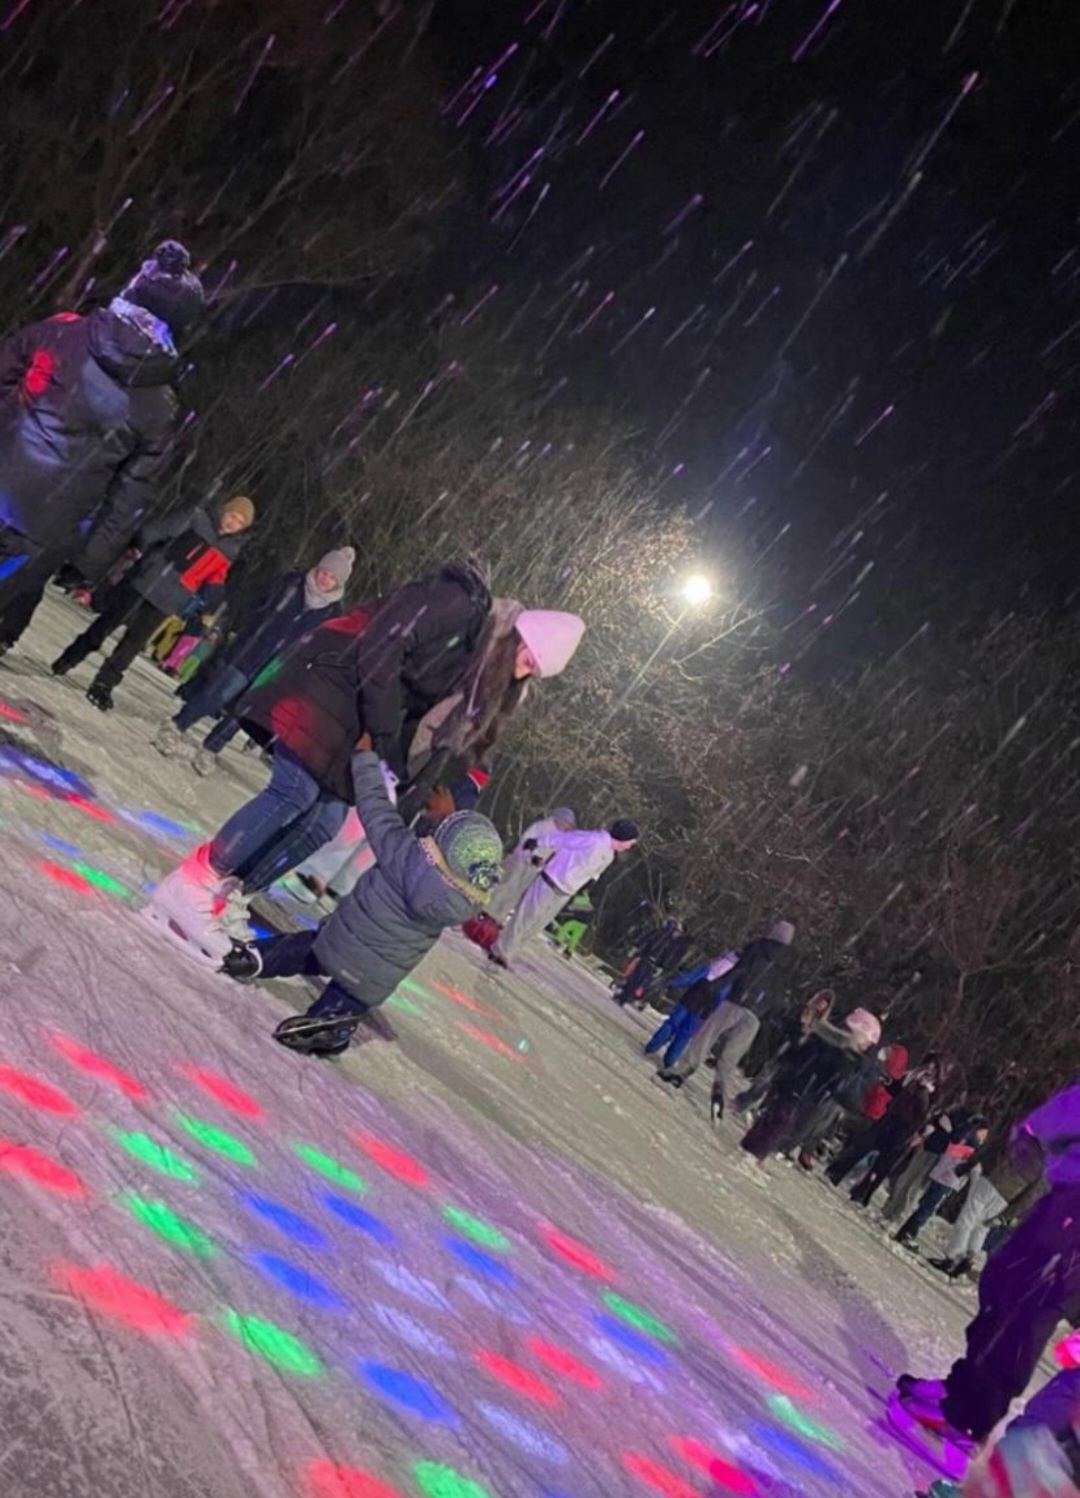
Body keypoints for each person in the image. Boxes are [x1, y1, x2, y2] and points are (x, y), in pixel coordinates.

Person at [143, 560, 584, 960]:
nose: (525, 673)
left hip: (356, 717)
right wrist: (385, 730)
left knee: (324, 822)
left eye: (534, 672)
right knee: (294, 793)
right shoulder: (461, 604)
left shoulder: (477, 660)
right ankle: (193, 883)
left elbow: (428, 718)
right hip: (328, 682)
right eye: (529, 660)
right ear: (520, 636)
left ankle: (231, 894)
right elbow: (386, 643)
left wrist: (404, 778)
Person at [218, 740, 504, 1058]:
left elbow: (374, 805)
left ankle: (258, 957)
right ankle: (332, 1018)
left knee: (308, 950)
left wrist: (365, 757)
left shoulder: (401, 851)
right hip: (372, 980)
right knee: (352, 994)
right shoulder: (462, 904)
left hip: (335, 941)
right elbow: (453, 865)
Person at [0, 241, 204, 656]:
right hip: (44, 527)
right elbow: (128, 496)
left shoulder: (63, 331)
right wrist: (89, 561)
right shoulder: (160, 407)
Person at [897, 1079, 1080, 1450]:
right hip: (1067, 1198)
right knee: (1003, 1285)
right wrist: (1036, 1131)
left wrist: (1039, 1129)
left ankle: (971, 1416)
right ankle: (963, 1389)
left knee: (1024, 1304)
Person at [152, 546, 355, 773]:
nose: (325, 579)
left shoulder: (332, 614)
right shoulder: (291, 583)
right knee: (217, 695)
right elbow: (255, 604)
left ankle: (211, 748)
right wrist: (237, 630)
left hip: (278, 670)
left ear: (339, 583)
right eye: (324, 572)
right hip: (249, 651)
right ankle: (177, 725)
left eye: (332, 578)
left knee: (244, 713)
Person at [50, 494, 255, 710]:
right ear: (224, 511)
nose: (233, 523)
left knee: (133, 643)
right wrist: (143, 552)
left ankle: (104, 684)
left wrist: (214, 601)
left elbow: (216, 577)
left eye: (240, 522)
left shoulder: (230, 550)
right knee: (105, 625)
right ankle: (70, 658)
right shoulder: (197, 519)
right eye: (233, 516)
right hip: (147, 582)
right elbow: (156, 531)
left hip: (170, 598)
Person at [653, 920, 796, 1120]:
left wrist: (717, 985)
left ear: (774, 932)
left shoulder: (758, 947)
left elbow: (739, 971)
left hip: (737, 1002)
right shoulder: (787, 966)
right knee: (731, 1055)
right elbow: (779, 997)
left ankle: (681, 1072)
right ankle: (720, 1091)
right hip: (755, 1017)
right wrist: (765, 1013)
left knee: (706, 1036)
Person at [489, 819, 640, 968]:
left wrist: (587, 885)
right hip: (551, 880)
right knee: (526, 918)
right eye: (630, 842)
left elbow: (595, 872)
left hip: (566, 891)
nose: (629, 846)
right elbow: (564, 839)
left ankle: (510, 951)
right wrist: (539, 842)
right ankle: (501, 951)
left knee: (537, 925)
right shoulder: (593, 839)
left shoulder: (610, 855)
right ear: (623, 837)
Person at [741, 1007, 883, 1163]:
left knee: (776, 1122)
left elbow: (841, 1090)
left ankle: (751, 1150)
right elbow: (823, 1072)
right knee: (778, 1123)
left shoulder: (843, 1051)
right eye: (867, 1042)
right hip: (798, 1089)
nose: (867, 1047)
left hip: (802, 1092)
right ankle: (752, 1153)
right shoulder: (837, 1048)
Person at [827, 1052, 957, 1206]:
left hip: (905, 1130)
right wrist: (886, 1080)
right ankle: (836, 1172)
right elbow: (895, 1089)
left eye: (934, 1067)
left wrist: (920, 1132)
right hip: (889, 1119)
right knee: (862, 1146)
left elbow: (926, 1114)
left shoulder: (936, 1092)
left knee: (883, 1165)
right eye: (929, 1064)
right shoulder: (912, 1076)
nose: (929, 1068)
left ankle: (862, 1194)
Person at [929, 1133, 1047, 1280]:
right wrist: (1008, 1215)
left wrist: (968, 1166)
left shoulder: (1022, 1141)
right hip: (1006, 1197)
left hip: (992, 1181)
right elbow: (1030, 1196)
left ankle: (953, 1257)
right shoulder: (1043, 1167)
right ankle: (968, 1258)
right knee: (982, 1226)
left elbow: (992, 1150)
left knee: (967, 1218)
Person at [895, 1117, 991, 1250]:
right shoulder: (970, 1143)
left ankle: (905, 1231)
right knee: (928, 1207)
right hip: (948, 1178)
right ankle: (909, 1233)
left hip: (941, 1173)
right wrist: (967, 1166)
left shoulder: (961, 1135)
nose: (984, 1138)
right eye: (984, 1133)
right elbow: (961, 1160)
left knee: (926, 1204)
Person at [644, 952, 741, 1070]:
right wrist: (714, 1012)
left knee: (672, 1023)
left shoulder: (709, 967)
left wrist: (672, 984)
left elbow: (689, 978)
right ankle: (669, 1060)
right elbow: (720, 998)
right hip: (703, 1009)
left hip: (689, 999)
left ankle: (651, 1047)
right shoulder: (728, 982)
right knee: (685, 1034)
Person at [883, 1104, 976, 1225]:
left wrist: (947, 1128)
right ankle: (893, 1208)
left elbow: (954, 1138)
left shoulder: (965, 1121)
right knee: (909, 1180)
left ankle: (896, 1212)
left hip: (936, 1153)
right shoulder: (958, 1114)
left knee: (913, 1182)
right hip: (931, 1148)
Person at [485, 807, 578, 924]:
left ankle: (499, 917)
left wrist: (543, 863)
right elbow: (526, 841)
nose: (566, 827)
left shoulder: (560, 837)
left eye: (569, 825)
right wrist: (531, 855)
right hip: (520, 861)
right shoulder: (542, 826)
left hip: (534, 869)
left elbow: (552, 854)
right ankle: (488, 910)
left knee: (517, 893)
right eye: (566, 823)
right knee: (508, 886)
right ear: (558, 819)